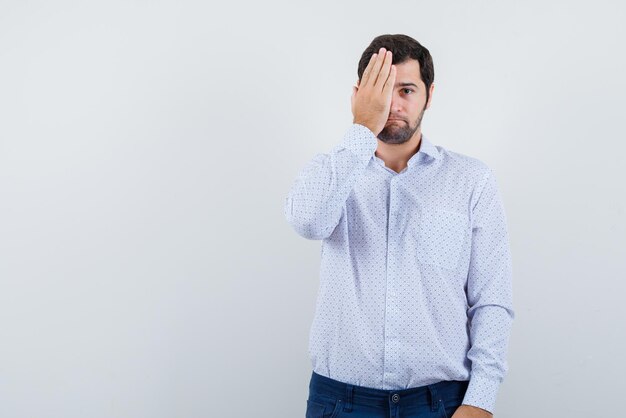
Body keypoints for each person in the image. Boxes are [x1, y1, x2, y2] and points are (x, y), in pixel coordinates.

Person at [283, 34, 514, 418]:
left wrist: (480, 400)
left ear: (429, 94)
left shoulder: (471, 181)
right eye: (382, 91)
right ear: (359, 94)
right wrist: (362, 127)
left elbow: (491, 299)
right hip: (340, 402)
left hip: (441, 403)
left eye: (406, 89)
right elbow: (307, 221)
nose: (393, 103)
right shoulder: (332, 172)